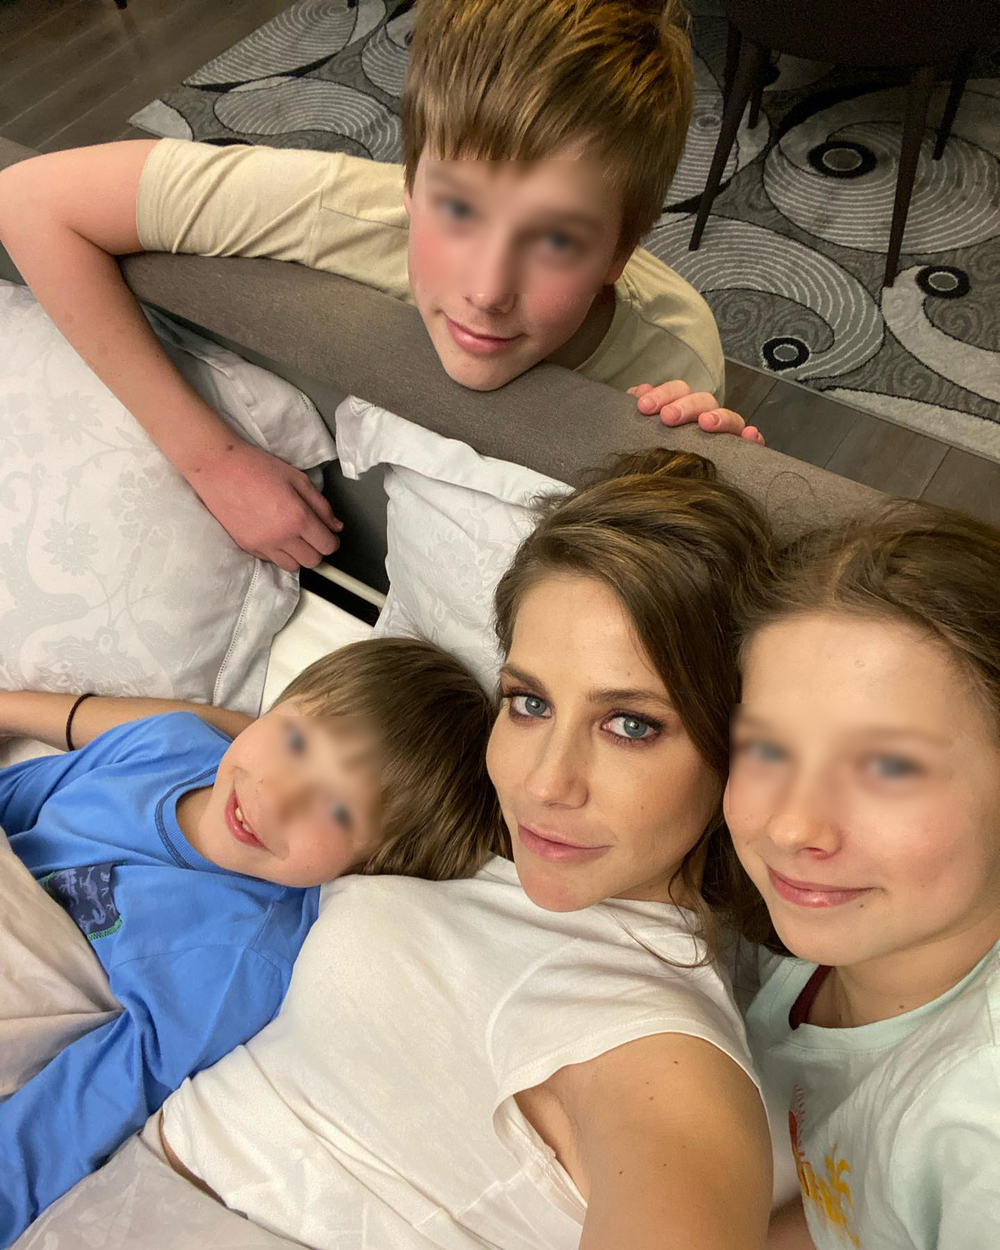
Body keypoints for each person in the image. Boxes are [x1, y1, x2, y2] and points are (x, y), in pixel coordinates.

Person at [12, 450, 774, 1250]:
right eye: (529, 702)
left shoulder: (657, 1050)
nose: (547, 782)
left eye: (631, 724)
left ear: (743, 747)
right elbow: (281, 749)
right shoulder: (478, 828)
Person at [0, 0, 762, 577]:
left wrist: (705, 483)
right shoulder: (337, 207)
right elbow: (27, 201)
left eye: (557, 241)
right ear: (409, 187)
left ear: (619, 254)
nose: (487, 290)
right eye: (456, 210)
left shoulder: (676, 353)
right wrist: (210, 459)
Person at [0, 637, 501, 1245]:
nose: (280, 796)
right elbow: (16, 798)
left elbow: (71, 1115)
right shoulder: (166, 742)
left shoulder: (240, 958)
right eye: (296, 741)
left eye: (339, 811)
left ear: (371, 868)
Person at [725, 501, 1000, 1249]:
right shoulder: (816, 946)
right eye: (767, 750)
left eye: (886, 766)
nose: (792, 828)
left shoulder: (979, 1131)